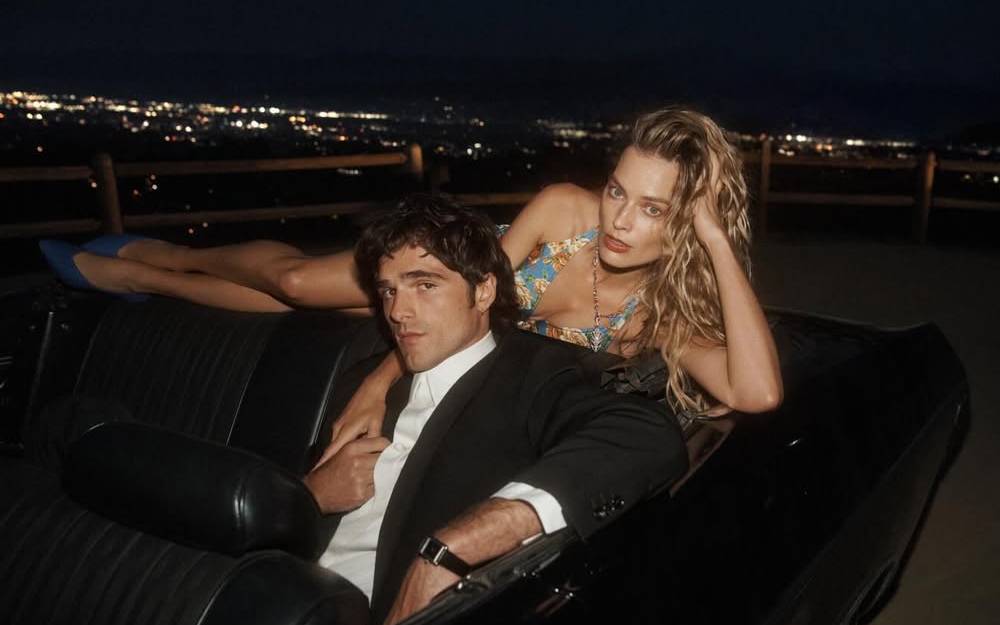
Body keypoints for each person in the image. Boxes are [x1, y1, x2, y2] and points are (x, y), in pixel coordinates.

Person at [40, 108, 782, 432]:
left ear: (688, 222)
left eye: (653, 210)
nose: (619, 220)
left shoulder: (661, 317)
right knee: (296, 283)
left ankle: (144, 278)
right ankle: (159, 258)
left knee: (301, 308)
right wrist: (376, 385)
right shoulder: (565, 210)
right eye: (618, 190)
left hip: (459, 324)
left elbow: (757, 392)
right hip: (448, 270)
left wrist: (716, 241)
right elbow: (465, 300)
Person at [301, 195, 686, 625]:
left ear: (484, 291)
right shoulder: (362, 387)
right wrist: (311, 496)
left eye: (424, 285)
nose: (397, 312)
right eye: (389, 290)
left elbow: (646, 433)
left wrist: (454, 548)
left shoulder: (534, 378)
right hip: (279, 604)